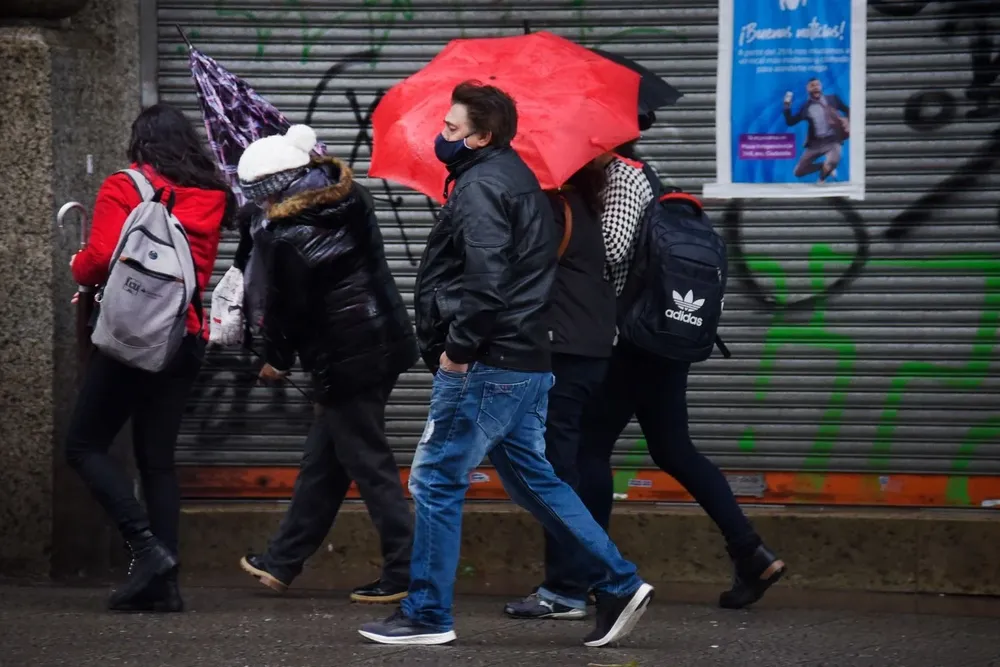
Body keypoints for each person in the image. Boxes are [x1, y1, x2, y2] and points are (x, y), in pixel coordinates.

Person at [358, 81, 653, 648]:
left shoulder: (482, 185)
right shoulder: (517, 179)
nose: (440, 136)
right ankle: (617, 580)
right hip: (526, 359)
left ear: (482, 135)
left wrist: (458, 351)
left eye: (450, 128)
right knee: (536, 479)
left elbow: (487, 279)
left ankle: (426, 614)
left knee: (437, 480)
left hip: (487, 363)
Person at [545, 144, 785, 614]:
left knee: (587, 448)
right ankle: (750, 552)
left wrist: (566, 233)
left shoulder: (622, 175)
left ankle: (596, 575)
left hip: (632, 338)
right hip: (662, 333)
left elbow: (612, 251)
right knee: (674, 448)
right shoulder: (647, 175)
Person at [235, 124, 418, 604]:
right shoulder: (346, 199)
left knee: (368, 463)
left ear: (274, 188)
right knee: (327, 462)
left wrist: (275, 358)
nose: (253, 205)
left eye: (256, 196)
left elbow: (286, 308)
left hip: (346, 357)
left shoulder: (288, 236)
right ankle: (282, 562)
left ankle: (407, 568)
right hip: (383, 340)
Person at [66, 103, 234, 612]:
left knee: (83, 445)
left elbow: (96, 260)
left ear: (141, 142)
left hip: (133, 338)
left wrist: (78, 266)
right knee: (158, 462)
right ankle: (165, 587)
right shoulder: (211, 193)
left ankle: (146, 548)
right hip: (183, 338)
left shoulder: (125, 186)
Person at [502, 165, 618, 620]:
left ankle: (567, 588)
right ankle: (586, 578)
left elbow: (524, 268)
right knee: (570, 464)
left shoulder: (553, 206)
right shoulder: (585, 203)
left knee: (553, 471)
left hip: (563, 352)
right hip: (589, 349)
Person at [783, 78, 850, 182]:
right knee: (798, 172)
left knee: (833, 161)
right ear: (807, 89)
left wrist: (848, 121)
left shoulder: (833, 99)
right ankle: (822, 166)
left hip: (832, 141)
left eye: (817, 85)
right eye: (812, 85)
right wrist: (787, 108)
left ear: (821, 87)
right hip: (815, 144)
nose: (815, 87)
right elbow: (790, 122)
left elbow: (848, 110)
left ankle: (821, 180)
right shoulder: (806, 107)